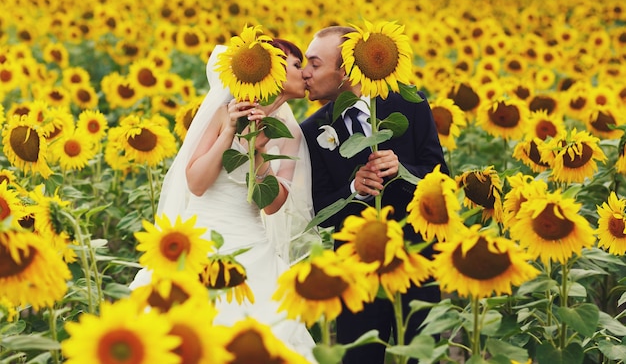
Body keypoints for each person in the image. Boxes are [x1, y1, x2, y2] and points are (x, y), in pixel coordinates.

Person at [131, 39, 319, 361]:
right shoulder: (225, 113)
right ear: (271, 68)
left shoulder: (290, 132)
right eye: (296, 65)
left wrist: (258, 152)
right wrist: (230, 132)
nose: (304, 75)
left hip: (252, 244)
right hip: (199, 237)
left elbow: (273, 205)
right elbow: (196, 183)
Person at [300, 26, 448, 364]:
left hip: (414, 256)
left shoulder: (408, 103)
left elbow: (440, 177)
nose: (305, 73)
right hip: (356, 269)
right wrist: (354, 189)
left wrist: (402, 169)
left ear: (346, 70)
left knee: (422, 356)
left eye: (314, 64)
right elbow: (319, 209)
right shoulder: (313, 131)